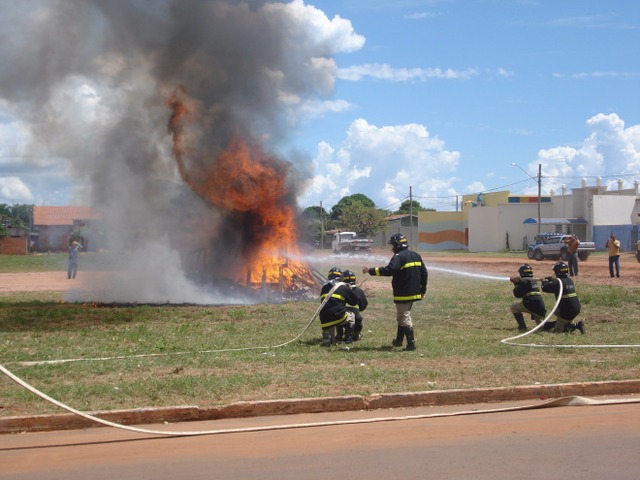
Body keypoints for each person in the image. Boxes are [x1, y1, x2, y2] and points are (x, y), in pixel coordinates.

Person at [361, 233, 428, 351]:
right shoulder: (416, 255)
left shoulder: (399, 256)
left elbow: (389, 270)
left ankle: (411, 344)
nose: (392, 248)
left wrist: (370, 270)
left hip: (403, 292)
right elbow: (424, 273)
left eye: (393, 245)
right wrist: (422, 290)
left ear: (397, 245)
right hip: (414, 292)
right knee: (401, 316)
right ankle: (398, 340)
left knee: (404, 316)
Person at [541, 262, 585, 334]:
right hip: (575, 307)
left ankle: (577, 325)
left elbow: (545, 288)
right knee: (558, 314)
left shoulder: (557, 282)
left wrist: (544, 282)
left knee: (558, 330)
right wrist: (551, 280)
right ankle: (555, 324)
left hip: (567, 309)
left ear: (557, 272)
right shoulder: (569, 280)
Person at [319, 267, 358, 346]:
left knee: (330, 319)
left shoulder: (324, 288)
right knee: (351, 315)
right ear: (341, 277)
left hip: (324, 319)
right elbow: (354, 302)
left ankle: (327, 337)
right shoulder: (343, 287)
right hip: (338, 316)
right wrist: (349, 290)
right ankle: (348, 338)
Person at [509, 264, 546, 331]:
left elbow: (517, 294)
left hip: (530, 304)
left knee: (514, 307)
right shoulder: (533, 281)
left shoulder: (523, 281)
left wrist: (516, 283)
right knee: (542, 328)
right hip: (540, 307)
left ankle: (522, 327)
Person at [336, 270, 368, 342]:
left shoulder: (340, 290)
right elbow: (364, 305)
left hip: (342, 318)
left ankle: (339, 334)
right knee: (357, 320)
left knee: (338, 317)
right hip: (357, 320)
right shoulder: (359, 291)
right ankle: (355, 334)